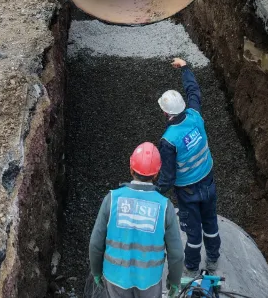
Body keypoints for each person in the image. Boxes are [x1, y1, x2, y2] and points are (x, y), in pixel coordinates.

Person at [89, 142, 184, 297]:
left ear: (131, 168)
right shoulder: (164, 207)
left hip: (115, 277)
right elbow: (177, 254)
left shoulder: (112, 199)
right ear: (156, 174)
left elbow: (95, 244)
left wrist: (96, 272)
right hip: (149, 281)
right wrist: (174, 282)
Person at [157, 58, 220, 273]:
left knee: (193, 232)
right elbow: (194, 91)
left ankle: (192, 268)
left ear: (166, 113)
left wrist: (152, 192)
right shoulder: (195, 115)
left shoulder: (168, 140)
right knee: (210, 223)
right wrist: (185, 68)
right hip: (208, 181)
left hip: (188, 191)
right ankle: (212, 260)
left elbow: (167, 177)